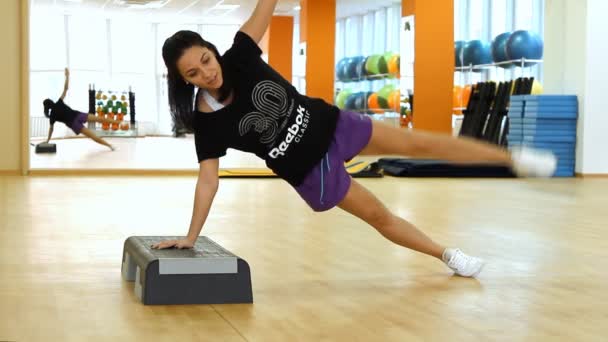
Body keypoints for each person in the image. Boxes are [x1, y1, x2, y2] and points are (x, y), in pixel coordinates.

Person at [152, 0, 557, 278]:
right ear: (183, 81)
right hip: (311, 170)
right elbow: (208, 179)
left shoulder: (240, 54)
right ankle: (448, 255)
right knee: (380, 216)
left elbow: (266, 5)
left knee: (421, 144)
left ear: (211, 50)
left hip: (332, 124)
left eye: (205, 59)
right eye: (193, 73)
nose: (206, 73)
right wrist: (191, 237)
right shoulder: (207, 122)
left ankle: (510, 158)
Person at [43, 68, 120, 151]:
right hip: (78, 115)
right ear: (51, 102)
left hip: (73, 124)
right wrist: (67, 76)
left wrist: (48, 140)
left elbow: (51, 129)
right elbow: (66, 89)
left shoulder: (52, 116)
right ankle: (120, 123)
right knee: (100, 119)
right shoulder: (59, 102)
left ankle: (110, 146)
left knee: (92, 136)